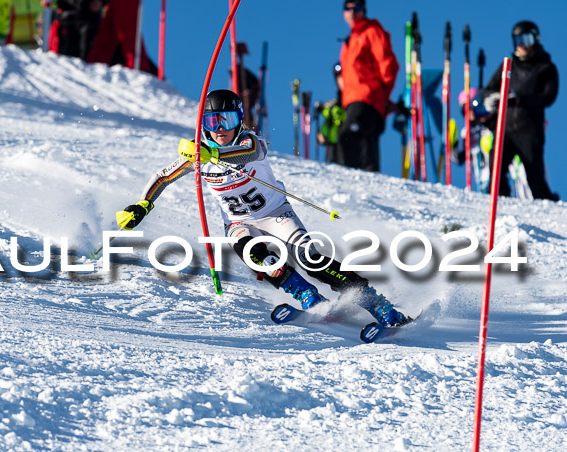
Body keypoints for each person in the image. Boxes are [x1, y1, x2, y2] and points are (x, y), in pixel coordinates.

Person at [114, 89, 409, 328]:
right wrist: (143, 204)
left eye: (226, 121)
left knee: (310, 259)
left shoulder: (247, 141)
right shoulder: (198, 153)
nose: (219, 130)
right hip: (239, 223)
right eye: (212, 122)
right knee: (254, 254)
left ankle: (377, 304)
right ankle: (306, 296)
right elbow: (163, 176)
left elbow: (250, 153)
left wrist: (212, 153)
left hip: (275, 214)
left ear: (239, 120)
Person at [483, 20, 559, 201]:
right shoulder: (509, 66)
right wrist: (492, 98)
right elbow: (489, 89)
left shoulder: (546, 68)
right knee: (496, 168)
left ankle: (549, 208)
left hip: (529, 129)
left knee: (534, 176)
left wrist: (518, 100)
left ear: (535, 39)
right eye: (518, 40)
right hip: (506, 129)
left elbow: (548, 97)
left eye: (527, 39)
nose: (522, 45)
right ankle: (502, 204)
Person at [337, 0, 398, 172]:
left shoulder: (371, 32)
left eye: (356, 7)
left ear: (363, 10)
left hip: (367, 97)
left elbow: (388, 65)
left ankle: (355, 182)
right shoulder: (348, 42)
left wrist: (381, 94)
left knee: (350, 137)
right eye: (347, 7)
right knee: (363, 143)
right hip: (353, 99)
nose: (352, 11)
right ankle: (365, 186)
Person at [452, 88, 495, 194]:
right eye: (465, 110)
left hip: (496, 176)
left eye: (470, 108)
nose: (469, 114)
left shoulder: (489, 127)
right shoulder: (466, 133)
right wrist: (452, 143)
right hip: (480, 180)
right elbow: (458, 158)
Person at [316, 63, 346, 165]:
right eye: (339, 78)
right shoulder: (335, 103)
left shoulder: (351, 103)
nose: (341, 81)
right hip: (334, 143)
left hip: (347, 143)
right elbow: (329, 117)